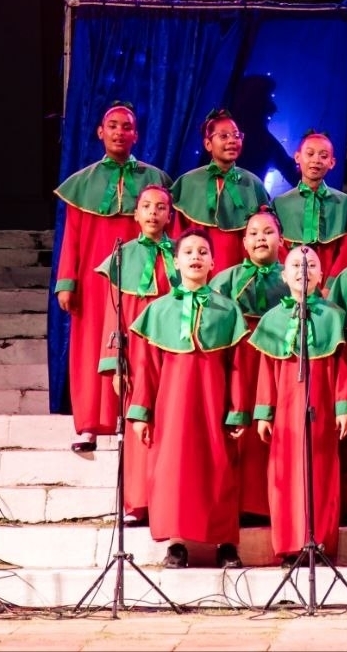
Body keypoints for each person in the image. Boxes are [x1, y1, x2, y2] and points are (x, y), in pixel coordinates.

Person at [54, 101, 172, 454]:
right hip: (93, 278)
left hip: (139, 275)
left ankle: (130, 416)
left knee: (135, 346)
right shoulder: (82, 182)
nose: (120, 131)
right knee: (92, 345)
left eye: (127, 126)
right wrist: (66, 281)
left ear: (136, 134)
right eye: (113, 125)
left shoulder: (155, 180)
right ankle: (89, 424)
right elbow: (71, 234)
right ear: (100, 132)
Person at [127, 228, 247, 569]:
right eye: (189, 252)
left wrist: (237, 410)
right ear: (176, 261)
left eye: (203, 252)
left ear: (213, 261)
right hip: (172, 405)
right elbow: (146, 366)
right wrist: (141, 412)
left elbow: (237, 365)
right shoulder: (159, 309)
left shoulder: (227, 310)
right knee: (174, 470)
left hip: (214, 401)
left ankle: (226, 542)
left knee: (219, 467)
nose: (195, 257)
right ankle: (177, 543)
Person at [246, 246, 347, 567]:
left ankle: (319, 542)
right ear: (284, 274)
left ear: (321, 276)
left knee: (320, 473)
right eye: (295, 264)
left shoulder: (334, 315)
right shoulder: (273, 319)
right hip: (285, 410)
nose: (302, 270)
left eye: (310, 265)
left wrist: (344, 406)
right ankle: (290, 544)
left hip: (321, 405)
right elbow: (267, 370)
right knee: (285, 474)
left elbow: (342, 366)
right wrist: (264, 412)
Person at [93, 184, 179, 526]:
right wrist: (115, 363)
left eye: (161, 207)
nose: (153, 213)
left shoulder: (183, 253)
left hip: (174, 348)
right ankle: (138, 502)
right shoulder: (121, 256)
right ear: (136, 213)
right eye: (147, 206)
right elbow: (113, 316)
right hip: (138, 351)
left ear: (171, 215)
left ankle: (167, 500)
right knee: (138, 423)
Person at [210, 205, 290, 523]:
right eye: (253, 234)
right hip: (239, 358)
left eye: (268, 232)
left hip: (277, 359)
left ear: (281, 240)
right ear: (243, 242)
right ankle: (236, 505)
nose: (260, 239)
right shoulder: (225, 280)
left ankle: (273, 505)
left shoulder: (292, 276)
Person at [170, 108, 271, 272]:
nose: (232, 141)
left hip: (238, 271)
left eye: (237, 135)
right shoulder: (189, 182)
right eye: (224, 136)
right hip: (195, 269)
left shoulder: (252, 184)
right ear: (208, 144)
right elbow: (177, 233)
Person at [274, 131, 347, 284]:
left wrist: (331, 286)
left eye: (323, 156)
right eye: (310, 154)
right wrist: (291, 281)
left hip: (332, 282)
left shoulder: (343, 202)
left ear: (332, 163)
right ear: (297, 157)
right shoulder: (280, 203)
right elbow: (278, 250)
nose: (316, 160)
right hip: (291, 282)